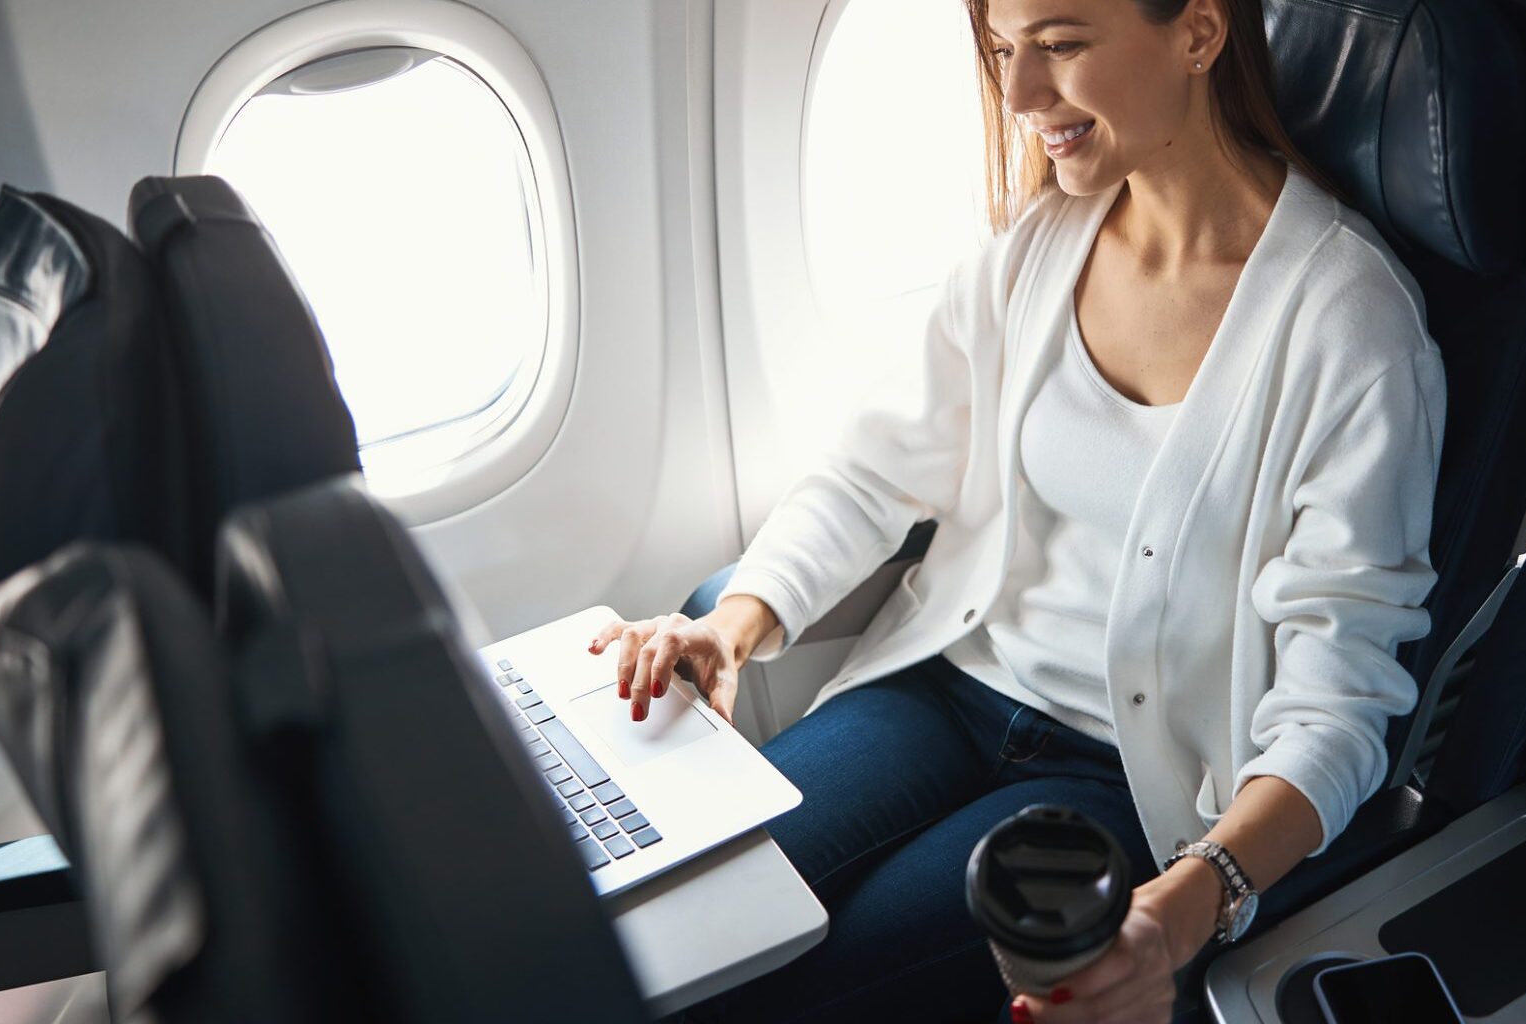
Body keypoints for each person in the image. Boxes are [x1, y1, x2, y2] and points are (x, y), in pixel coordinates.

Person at [591, 0, 1445, 1020]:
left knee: (798, 987)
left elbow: (1339, 703)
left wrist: (1192, 898)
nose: (1018, 95)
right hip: (939, 689)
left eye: (1059, 44)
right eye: (1003, 51)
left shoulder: (1349, 327)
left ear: (1198, 33)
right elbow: (875, 470)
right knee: (680, 923)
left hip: (1120, 778)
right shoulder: (1040, 244)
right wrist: (732, 628)